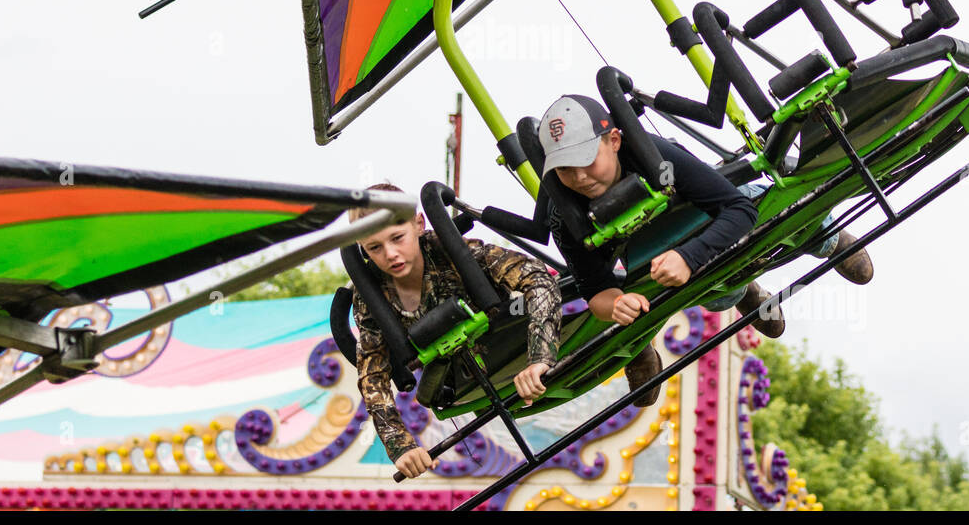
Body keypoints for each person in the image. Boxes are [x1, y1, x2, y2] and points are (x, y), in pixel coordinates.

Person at [536, 94, 873, 404]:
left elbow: (740, 208)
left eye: (586, 160)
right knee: (686, 290)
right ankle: (726, 302)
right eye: (565, 169)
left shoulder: (651, 153)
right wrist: (617, 305)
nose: (579, 177)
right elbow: (597, 292)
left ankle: (829, 239)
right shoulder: (563, 213)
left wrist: (688, 256)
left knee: (774, 203)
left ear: (614, 141)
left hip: (702, 221)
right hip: (648, 261)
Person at [349, 184, 561, 480]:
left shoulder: (456, 251)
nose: (391, 254)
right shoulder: (369, 296)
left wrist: (540, 357)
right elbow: (373, 374)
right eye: (375, 248)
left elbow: (537, 277)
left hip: (513, 347)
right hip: (458, 382)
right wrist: (400, 445)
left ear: (418, 224)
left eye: (398, 238)